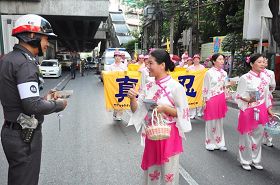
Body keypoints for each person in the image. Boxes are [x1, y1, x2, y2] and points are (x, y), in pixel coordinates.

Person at [0, 14, 67, 185]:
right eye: (45, 39)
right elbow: (31, 105)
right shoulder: (25, 63)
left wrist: (44, 98)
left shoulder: (7, 59)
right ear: (31, 36)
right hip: (24, 137)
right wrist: (57, 104)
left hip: (11, 130)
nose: (47, 43)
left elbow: (22, 98)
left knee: (18, 178)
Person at [127, 49, 192, 185]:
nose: (147, 66)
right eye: (147, 63)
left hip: (170, 134)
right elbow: (137, 110)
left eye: (150, 63)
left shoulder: (176, 87)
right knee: (152, 171)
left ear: (162, 65)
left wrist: (165, 109)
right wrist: (132, 99)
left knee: (170, 173)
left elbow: (184, 112)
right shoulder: (148, 85)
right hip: (152, 133)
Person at [235, 53, 273, 171]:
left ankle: (256, 159)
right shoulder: (245, 78)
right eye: (259, 62)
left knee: (258, 135)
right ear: (252, 64)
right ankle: (245, 160)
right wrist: (245, 99)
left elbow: (267, 95)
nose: (262, 64)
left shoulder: (266, 78)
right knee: (246, 136)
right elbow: (238, 95)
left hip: (261, 108)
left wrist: (269, 109)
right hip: (247, 109)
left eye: (263, 62)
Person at [202, 53, 231, 151]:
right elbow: (205, 88)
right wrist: (205, 100)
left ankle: (220, 142)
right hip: (211, 98)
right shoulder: (209, 73)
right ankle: (209, 142)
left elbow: (225, 85)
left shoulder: (224, 73)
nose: (222, 61)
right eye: (220, 59)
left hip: (221, 98)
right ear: (214, 61)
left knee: (219, 122)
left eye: (223, 59)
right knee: (211, 122)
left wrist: (229, 85)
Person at [109, 51, 127, 121]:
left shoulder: (124, 66)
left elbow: (127, 75)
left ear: (120, 57)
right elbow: (108, 76)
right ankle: (115, 111)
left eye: (118, 56)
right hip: (113, 86)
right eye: (116, 56)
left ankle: (119, 115)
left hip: (122, 85)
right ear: (114, 57)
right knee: (115, 100)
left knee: (121, 100)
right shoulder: (111, 66)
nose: (117, 57)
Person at [262, 57, 276, 147]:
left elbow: (272, 86)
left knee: (268, 118)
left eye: (265, 61)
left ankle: (268, 139)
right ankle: (257, 137)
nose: (263, 63)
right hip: (256, 99)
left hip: (267, 98)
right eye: (261, 61)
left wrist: (268, 91)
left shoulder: (270, 73)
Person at [188, 54, 205, 118]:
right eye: (195, 59)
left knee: (200, 98)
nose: (196, 60)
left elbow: (205, 75)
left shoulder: (202, 67)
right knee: (192, 98)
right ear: (193, 60)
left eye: (197, 59)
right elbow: (186, 75)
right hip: (192, 85)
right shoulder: (190, 68)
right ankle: (192, 114)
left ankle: (199, 111)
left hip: (200, 84)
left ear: (199, 60)